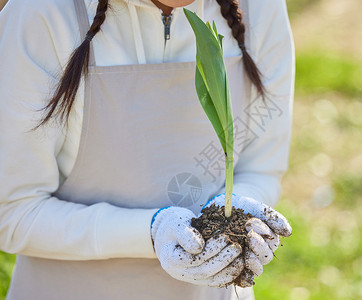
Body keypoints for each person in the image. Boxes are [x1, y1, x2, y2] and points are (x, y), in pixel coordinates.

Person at [0, 0, 295, 299]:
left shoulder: (259, 8)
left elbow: (262, 169)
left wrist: (239, 214)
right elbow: (12, 213)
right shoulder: (44, 13)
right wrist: (150, 232)